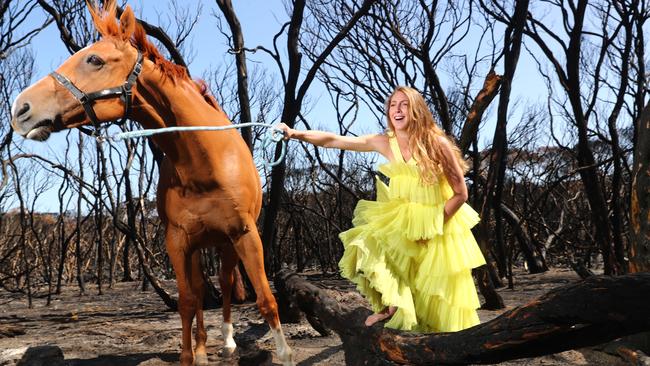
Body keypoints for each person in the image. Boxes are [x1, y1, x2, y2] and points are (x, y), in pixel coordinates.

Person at [276, 86, 486, 332]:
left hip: (438, 224)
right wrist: (293, 133)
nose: (396, 110)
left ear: (417, 109)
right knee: (368, 247)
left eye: (404, 104)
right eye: (393, 104)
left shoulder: (437, 144)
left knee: (433, 298)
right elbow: (335, 140)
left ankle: (438, 343)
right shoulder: (386, 142)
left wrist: (431, 228)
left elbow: (461, 194)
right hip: (401, 219)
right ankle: (391, 308)